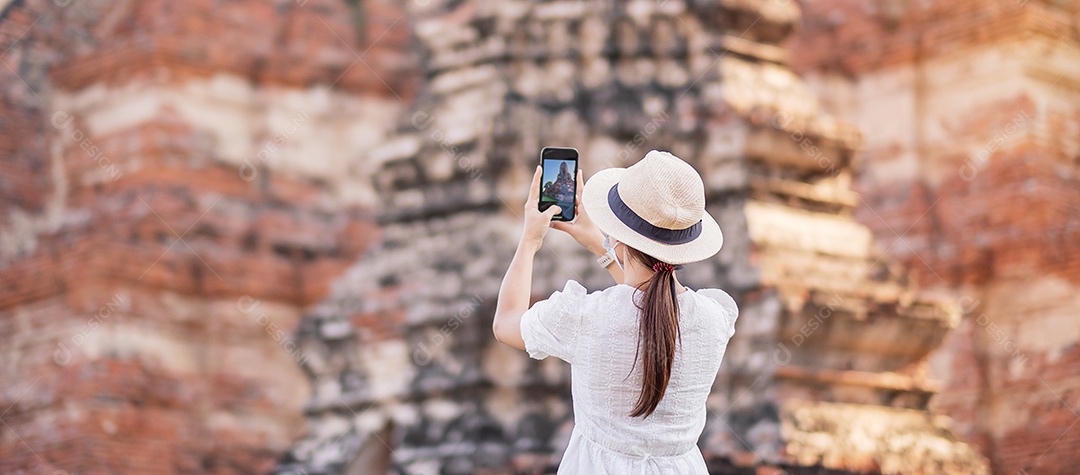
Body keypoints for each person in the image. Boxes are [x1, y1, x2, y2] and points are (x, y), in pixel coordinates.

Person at [492, 150, 739, 474]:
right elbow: (651, 301)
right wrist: (604, 246)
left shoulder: (584, 317)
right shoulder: (714, 319)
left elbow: (506, 322)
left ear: (620, 237)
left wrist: (529, 240)